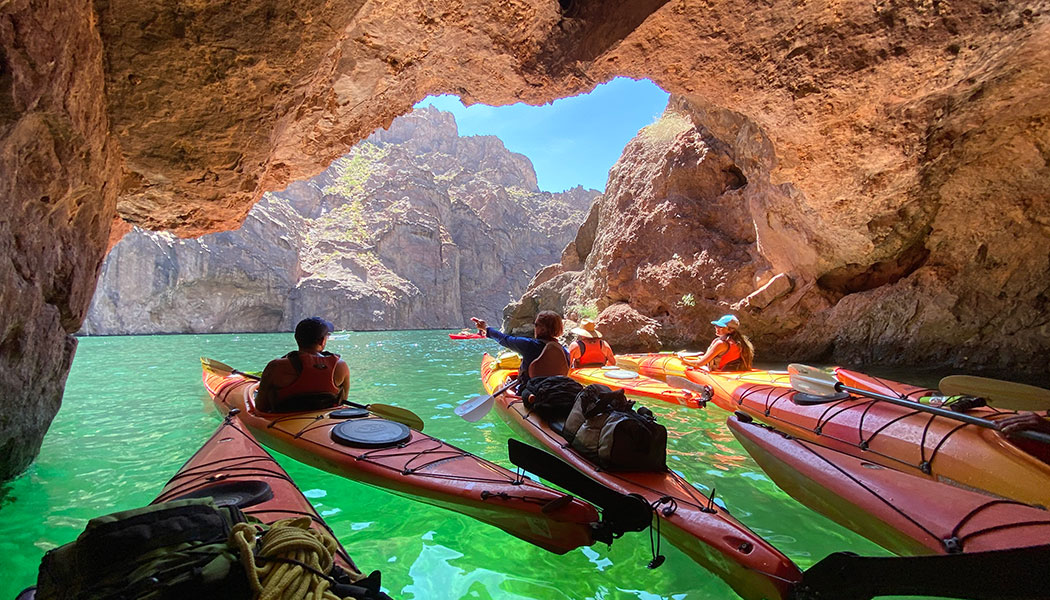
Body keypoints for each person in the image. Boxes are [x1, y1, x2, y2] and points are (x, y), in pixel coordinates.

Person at [257, 317, 350, 413]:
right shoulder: (340, 366)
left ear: (296, 338)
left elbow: (261, 406)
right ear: (322, 341)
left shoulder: (276, 367)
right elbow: (342, 401)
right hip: (324, 422)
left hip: (283, 421)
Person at [472, 311, 570, 388]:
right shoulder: (564, 350)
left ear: (543, 329)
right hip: (555, 388)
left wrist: (485, 328)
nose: (534, 328)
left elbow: (504, 339)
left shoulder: (529, 345)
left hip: (531, 390)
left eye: (536, 325)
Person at [690, 314, 754, 372]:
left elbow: (699, 364)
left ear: (730, 330)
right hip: (733, 372)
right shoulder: (740, 342)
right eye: (716, 325)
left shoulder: (721, 344)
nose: (716, 328)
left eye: (721, 327)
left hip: (720, 374)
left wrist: (682, 361)